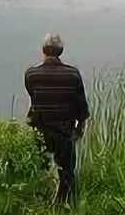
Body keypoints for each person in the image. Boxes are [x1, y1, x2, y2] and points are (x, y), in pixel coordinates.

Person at [24, 33, 90, 205]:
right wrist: (79, 129)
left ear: (43, 51)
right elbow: (81, 108)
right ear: (61, 51)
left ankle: (40, 201)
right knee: (67, 170)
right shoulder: (73, 75)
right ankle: (66, 202)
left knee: (39, 167)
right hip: (64, 131)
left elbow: (34, 98)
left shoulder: (31, 75)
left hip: (39, 131)